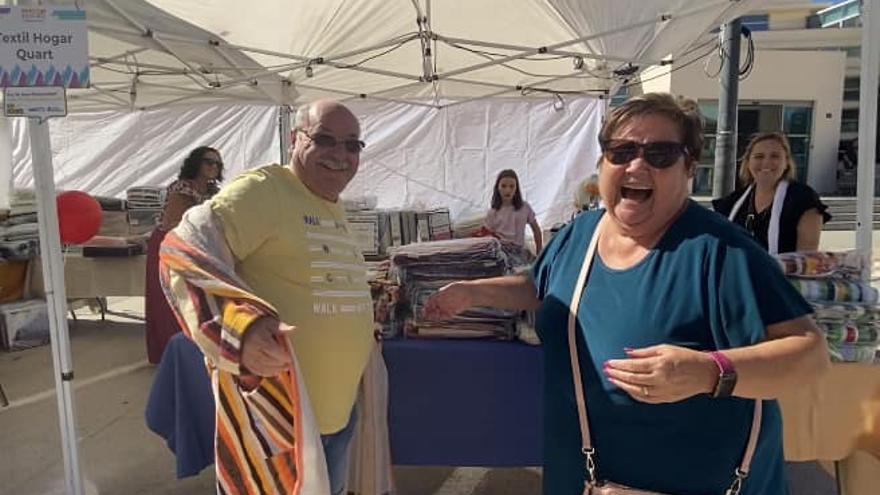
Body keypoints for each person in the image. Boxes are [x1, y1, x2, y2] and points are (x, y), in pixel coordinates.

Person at [423, 93, 829, 494]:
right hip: (580, 474)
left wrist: (709, 372)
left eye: (660, 153)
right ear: (602, 163)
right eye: (621, 150)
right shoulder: (581, 233)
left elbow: (810, 354)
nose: (637, 164)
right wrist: (472, 292)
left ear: (689, 166)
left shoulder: (722, 250)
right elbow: (538, 286)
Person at [159, 101, 378, 495]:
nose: (340, 155)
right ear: (295, 140)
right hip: (279, 420)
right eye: (325, 139)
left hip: (337, 418)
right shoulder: (266, 190)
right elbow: (183, 250)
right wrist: (238, 329)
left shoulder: (331, 204)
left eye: (352, 145)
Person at [144, 146, 223, 364]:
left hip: (195, 246)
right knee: (170, 299)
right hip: (171, 243)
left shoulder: (213, 191)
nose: (214, 167)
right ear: (196, 163)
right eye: (209, 161)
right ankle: (168, 353)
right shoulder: (181, 188)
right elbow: (173, 222)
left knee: (193, 299)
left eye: (217, 163)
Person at [712, 132, 831, 254]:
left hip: (782, 273)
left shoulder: (803, 200)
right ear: (748, 163)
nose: (766, 162)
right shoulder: (731, 203)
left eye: (775, 156)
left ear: (786, 163)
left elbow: (806, 258)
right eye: (759, 156)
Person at [483, 169, 543, 253]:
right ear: (498, 188)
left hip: (519, 250)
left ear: (516, 188)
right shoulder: (493, 212)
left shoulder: (525, 207)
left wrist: (539, 252)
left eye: (512, 186)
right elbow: (487, 235)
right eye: (503, 186)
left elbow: (536, 230)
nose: (508, 190)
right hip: (500, 251)